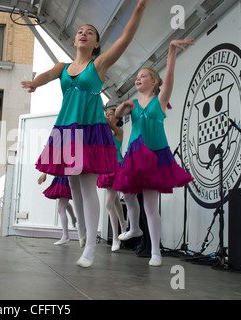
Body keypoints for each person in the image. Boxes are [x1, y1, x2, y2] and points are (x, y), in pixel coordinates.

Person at [22, 0, 150, 268]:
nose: (82, 33)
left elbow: (126, 38)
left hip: (90, 131)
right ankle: (81, 233)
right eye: (80, 30)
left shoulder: (99, 64)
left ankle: (90, 245)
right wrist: (35, 82)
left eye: (89, 32)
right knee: (74, 187)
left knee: (88, 188)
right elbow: (46, 75)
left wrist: (139, 7)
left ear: (96, 45)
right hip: (66, 131)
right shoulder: (63, 67)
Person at [113, 38, 195, 266]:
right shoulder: (134, 105)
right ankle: (135, 228)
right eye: (137, 77)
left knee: (150, 204)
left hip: (156, 156)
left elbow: (169, 76)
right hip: (134, 155)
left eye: (143, 76)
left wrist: (170, 49)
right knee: (127, 194)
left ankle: (156, 251)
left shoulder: (160, 100)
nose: (138, 79)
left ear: (154, 82)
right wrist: (124, 106)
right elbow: (118, 115)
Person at [97, 107, 127, 252]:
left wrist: (102, 117)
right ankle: (123, 224)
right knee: (114, 200)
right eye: (107, 114)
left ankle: (116, 238)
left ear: (118, 118)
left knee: (109, 203)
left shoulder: (119, 132)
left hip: (117, 167)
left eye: (111, 115)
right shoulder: (105, 132)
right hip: (106, 168)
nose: (108, 116)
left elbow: (110, 126)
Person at [38, 173, 76, 245]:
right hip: (62, 177)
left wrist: (44, 173)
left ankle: (66, 236)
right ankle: (73, 218)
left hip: (66, 177)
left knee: (61, 207)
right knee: (64, 203)